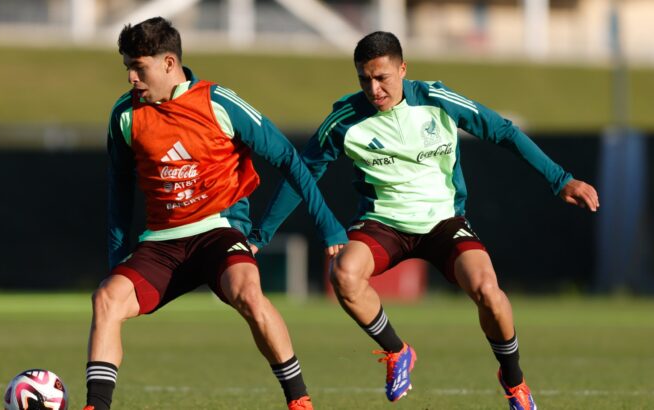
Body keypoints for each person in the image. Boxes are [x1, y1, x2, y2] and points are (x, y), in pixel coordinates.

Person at [249, 31, 599, 410]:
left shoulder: (436, 99)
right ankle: (397, 351)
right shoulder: (345, 120)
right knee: (344, 274)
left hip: (444, 223)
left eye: (382, 77)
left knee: (488, 292)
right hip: (383, 223)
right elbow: (300, 174)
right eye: (364, 79)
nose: (374, 88)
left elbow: (503, 131)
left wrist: (560, 179)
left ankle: (513, 380)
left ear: (402, 69)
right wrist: (260, 235)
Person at [83, 17, 347, 410]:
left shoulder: (218, 102)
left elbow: (290, 160)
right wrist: (117, 259)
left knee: (247, 290)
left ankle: (299, 401)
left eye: (139, 68)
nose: (131, 79)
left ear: (169, 63)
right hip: (161, 244)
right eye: (128, 68)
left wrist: (327, 226)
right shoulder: (125, 115)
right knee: (107, 298)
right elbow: (119, 190)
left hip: (218, 231)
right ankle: (96, 407)